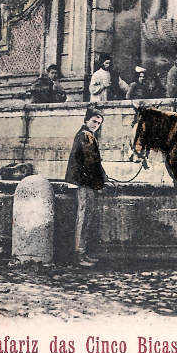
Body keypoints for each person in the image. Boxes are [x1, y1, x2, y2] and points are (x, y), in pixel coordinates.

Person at [64, 105, 106, 266]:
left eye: (99, 123)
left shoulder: (86, 135)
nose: (96, 125)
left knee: (86, 216)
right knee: (84, 216)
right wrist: (100, 183)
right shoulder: (86, 136)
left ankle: (83, 252)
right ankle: (79, 255)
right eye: (94, 121)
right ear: (86, 120)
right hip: (84, 183)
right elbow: (90, 163)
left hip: (85, 182)